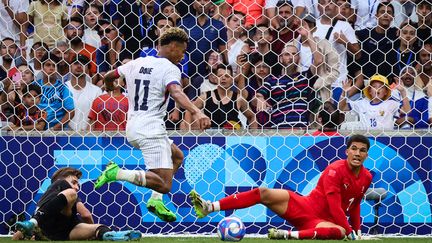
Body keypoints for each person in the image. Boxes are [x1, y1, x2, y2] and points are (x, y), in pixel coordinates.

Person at [94, 27, 211, 222]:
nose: (183, 56)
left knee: (177, 156)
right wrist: (197, 111)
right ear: (173, 46)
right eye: (182, 51)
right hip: (151, 130)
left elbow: (108, 77)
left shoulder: (136, 62)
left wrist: (110, 90)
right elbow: (175, 91)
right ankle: (117, 173)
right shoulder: (170, 68)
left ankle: (156, 201)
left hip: (133, 126)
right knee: (165, 184)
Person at [190, 134, 372, 240]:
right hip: (304, 206)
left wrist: (356, 231)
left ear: (366, 154)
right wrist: (350, 232)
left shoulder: (367, 177)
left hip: (320, 223)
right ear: (347, 151)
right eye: (354, 149)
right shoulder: (334, 170)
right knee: (263, 192)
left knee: (338, 232)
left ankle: (286, 234)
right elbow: (333, 204)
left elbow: (354, 205)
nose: (357, 153)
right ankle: (209, 207)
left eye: (362, 150)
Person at [14, 167, 141, 241]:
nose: (77, 187)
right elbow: (86, 214)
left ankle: (112, 235)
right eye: (74, 182)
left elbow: (85, 215)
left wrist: (19, 235)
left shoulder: (44, 201)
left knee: (99, 228)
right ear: (58, 181)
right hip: (67, 229)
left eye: (78, 184)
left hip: (59, 230)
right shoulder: (61, 187)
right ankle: (106, 233)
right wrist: (91, 227)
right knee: (94, 225)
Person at [339, 74, 411, 130]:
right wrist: (344, 92)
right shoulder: (362, 103)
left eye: (381, 87)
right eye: (374, 86)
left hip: (385, 140)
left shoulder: (391, 104)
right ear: (369, 91)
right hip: (366, 140)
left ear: (386, 92)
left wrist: (403, 91)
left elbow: (407, 111)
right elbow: (342, 107)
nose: (377, 89)